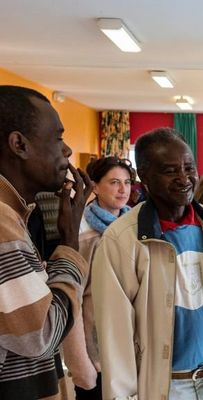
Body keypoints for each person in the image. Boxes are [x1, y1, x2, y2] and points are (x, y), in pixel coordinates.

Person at [92, 128, 203, 399]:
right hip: (166, 387)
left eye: (189, 167)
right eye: (170, 170)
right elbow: (115, 336)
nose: (184, 178)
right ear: (145, 176)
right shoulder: (122, 240)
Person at [0, 85, 91, 399]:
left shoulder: (14, 215)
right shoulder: (1, 221)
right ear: (19, 144)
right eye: (58, 138)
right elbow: (41, 332)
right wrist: (69, 244)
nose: (66, 151)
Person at [61, 156, 135, 399]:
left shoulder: (135, 228)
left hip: (131, 352)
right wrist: (81, 365)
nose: (123, 189)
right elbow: (74, 300)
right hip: (97, 356)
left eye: (127, 182)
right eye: (114, 182)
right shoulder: (82, 233)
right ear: (95, 186)